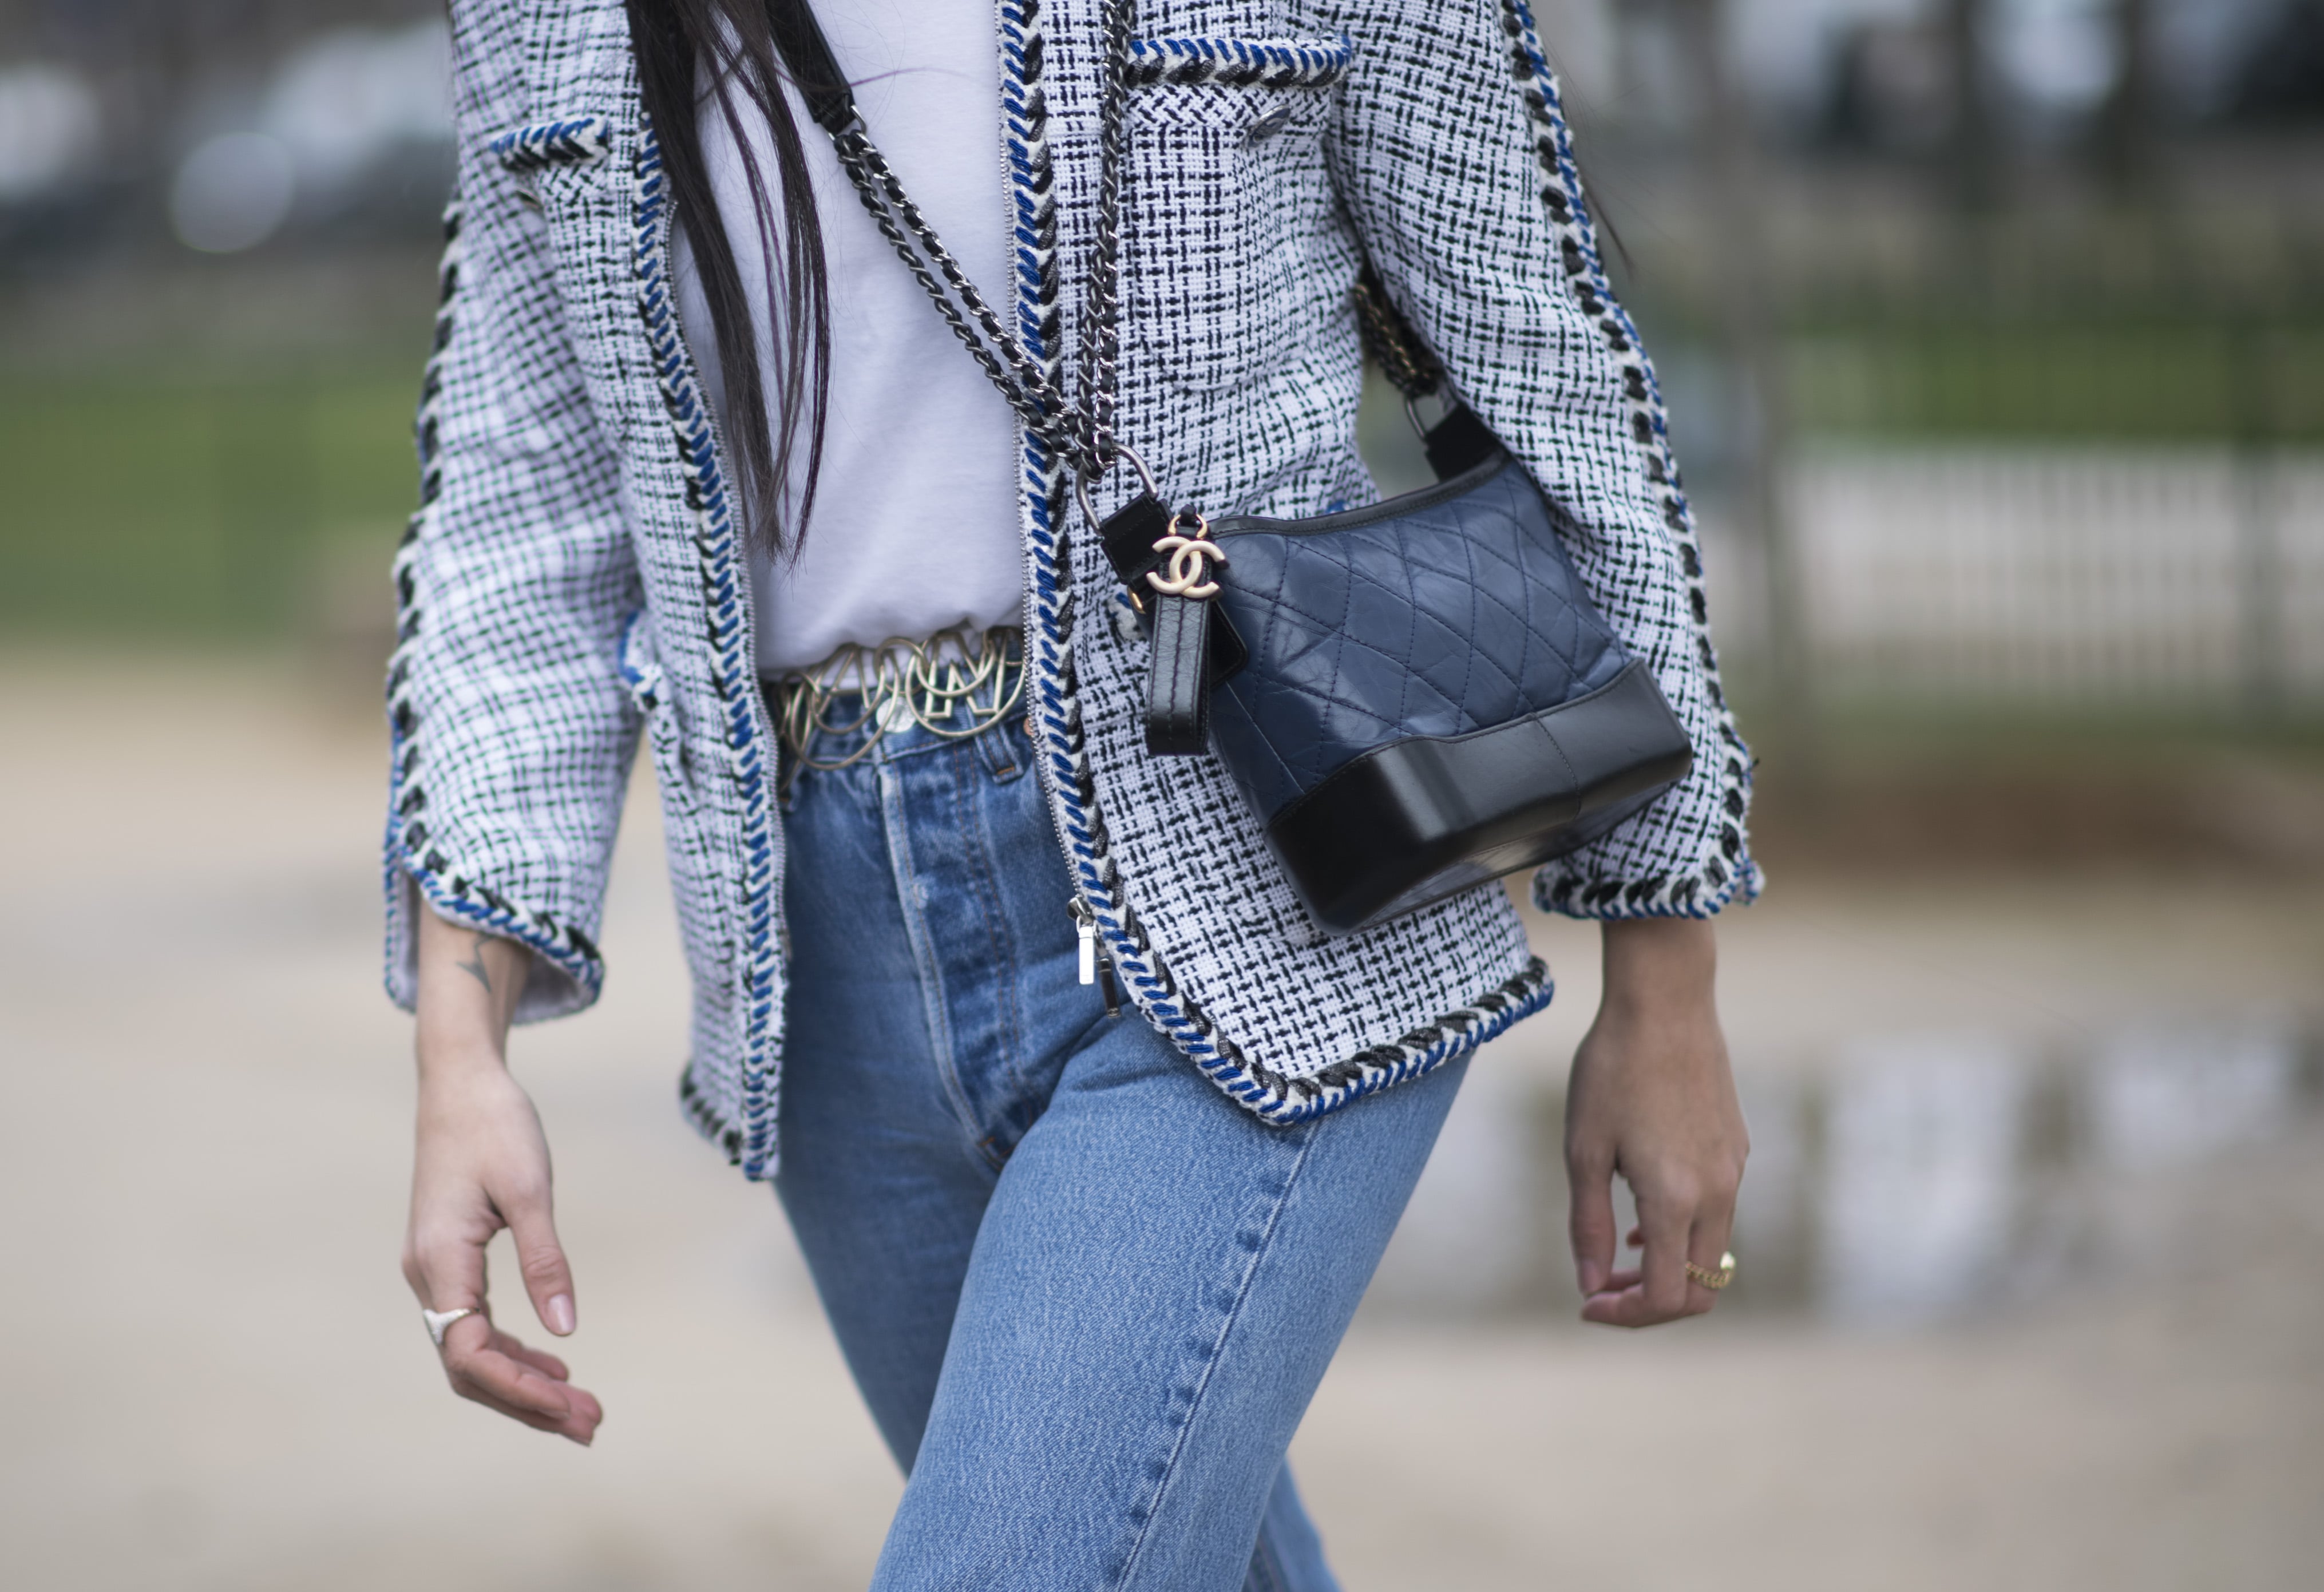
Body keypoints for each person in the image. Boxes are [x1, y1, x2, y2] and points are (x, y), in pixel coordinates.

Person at [391, 1, 1761, 1587]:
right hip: (832, 981)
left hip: (1253, 888)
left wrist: (1667, 980)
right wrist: (457, 1042)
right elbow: (515, 522)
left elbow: (1556, 390)